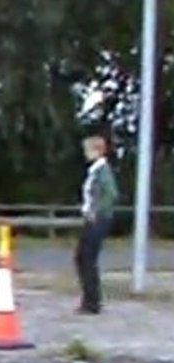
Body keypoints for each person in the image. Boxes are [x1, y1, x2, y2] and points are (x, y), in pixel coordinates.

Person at [75, 134, 119, 314]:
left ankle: (92, 302)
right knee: (83, 258)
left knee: (87, 258)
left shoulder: (103, 171)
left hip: (98, 219)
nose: (85, 153)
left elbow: (111, 194)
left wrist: (96, 211)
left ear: (97, 151)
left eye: (88, 150)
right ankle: (90, 299)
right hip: (93, 217)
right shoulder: (95, 170)